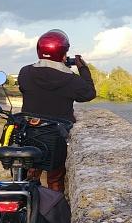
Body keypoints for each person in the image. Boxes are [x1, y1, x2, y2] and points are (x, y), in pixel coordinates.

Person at [17, 29, 96, 191]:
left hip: (30, 132)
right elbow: (89, 94)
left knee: (30, 173)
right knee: (55, 179)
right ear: (62, 53)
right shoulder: (70, 80)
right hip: (56, 137)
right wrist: (83, 68)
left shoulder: (25, 72)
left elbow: (27, 88)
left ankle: (26, 205)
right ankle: (54, 208)